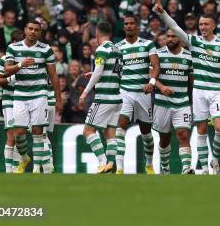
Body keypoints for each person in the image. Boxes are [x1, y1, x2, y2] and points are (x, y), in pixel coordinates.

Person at [154, 2, 220, 175]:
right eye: (200, 25)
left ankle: (215, 159)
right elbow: (175, 27)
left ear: (213, 26)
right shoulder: (193, 42)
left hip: (216, 91)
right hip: (198, 91)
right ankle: (205, 168)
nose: (203, 27)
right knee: (201, 130)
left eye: (206, 24)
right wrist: (163, 13)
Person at [4, 20, 62, 173]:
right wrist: (20, 65)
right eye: (30, 29)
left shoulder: (46, 49)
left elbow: (54, 76)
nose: (33, 32)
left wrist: (59, 99)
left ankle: (37, 169)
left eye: (36, 30)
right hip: (20, 95)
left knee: (38, 132)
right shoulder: (13, 48)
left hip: (39, 95)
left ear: (40, 33)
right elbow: (6, 70)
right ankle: (24, 157)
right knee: (19, 133)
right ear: (25, 30)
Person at [114, 14, 160, 174]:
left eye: (132, 23)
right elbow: (114, 71)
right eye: (126, 23)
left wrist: (152, 83)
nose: (129, 26)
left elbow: (155, 66)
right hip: (124, 92)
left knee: (146, 132)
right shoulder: (118, 47)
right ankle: (119, 168)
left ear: (137, 26)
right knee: (120, 128)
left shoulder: (148, 45)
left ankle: (149, 164)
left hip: (143, 93)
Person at [78, 22, 122, 174]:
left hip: (104, 98)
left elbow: (98, 71)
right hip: (116, 98)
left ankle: (102, 162)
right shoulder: (117, 49)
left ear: (97, 33)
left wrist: (85, 92)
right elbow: (114, 71)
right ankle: (110, 165)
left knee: (88, 131)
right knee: (110, 134)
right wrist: (97, 73)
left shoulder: (101, 49)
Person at [153, 29, 194, 174]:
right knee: (164, 139)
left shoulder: (189, 57)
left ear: (181, 39)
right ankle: (165, 167)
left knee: (183, 134)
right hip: (162, 103)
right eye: (167, 36)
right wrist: (161, 87)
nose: (169, 39)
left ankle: (186, 168)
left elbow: (192, 82)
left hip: (182, 102)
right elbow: (150, 75)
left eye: (173, 36)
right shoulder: (158, 54)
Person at [0, 30, 25, 173]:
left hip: (25, 100)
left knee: (20, 135)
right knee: (12, 135)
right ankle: (9, 171)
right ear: (12, 43)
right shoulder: (4, 59)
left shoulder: (28, 59)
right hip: (10, 100)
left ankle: (18, 168)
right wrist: (10, 79)